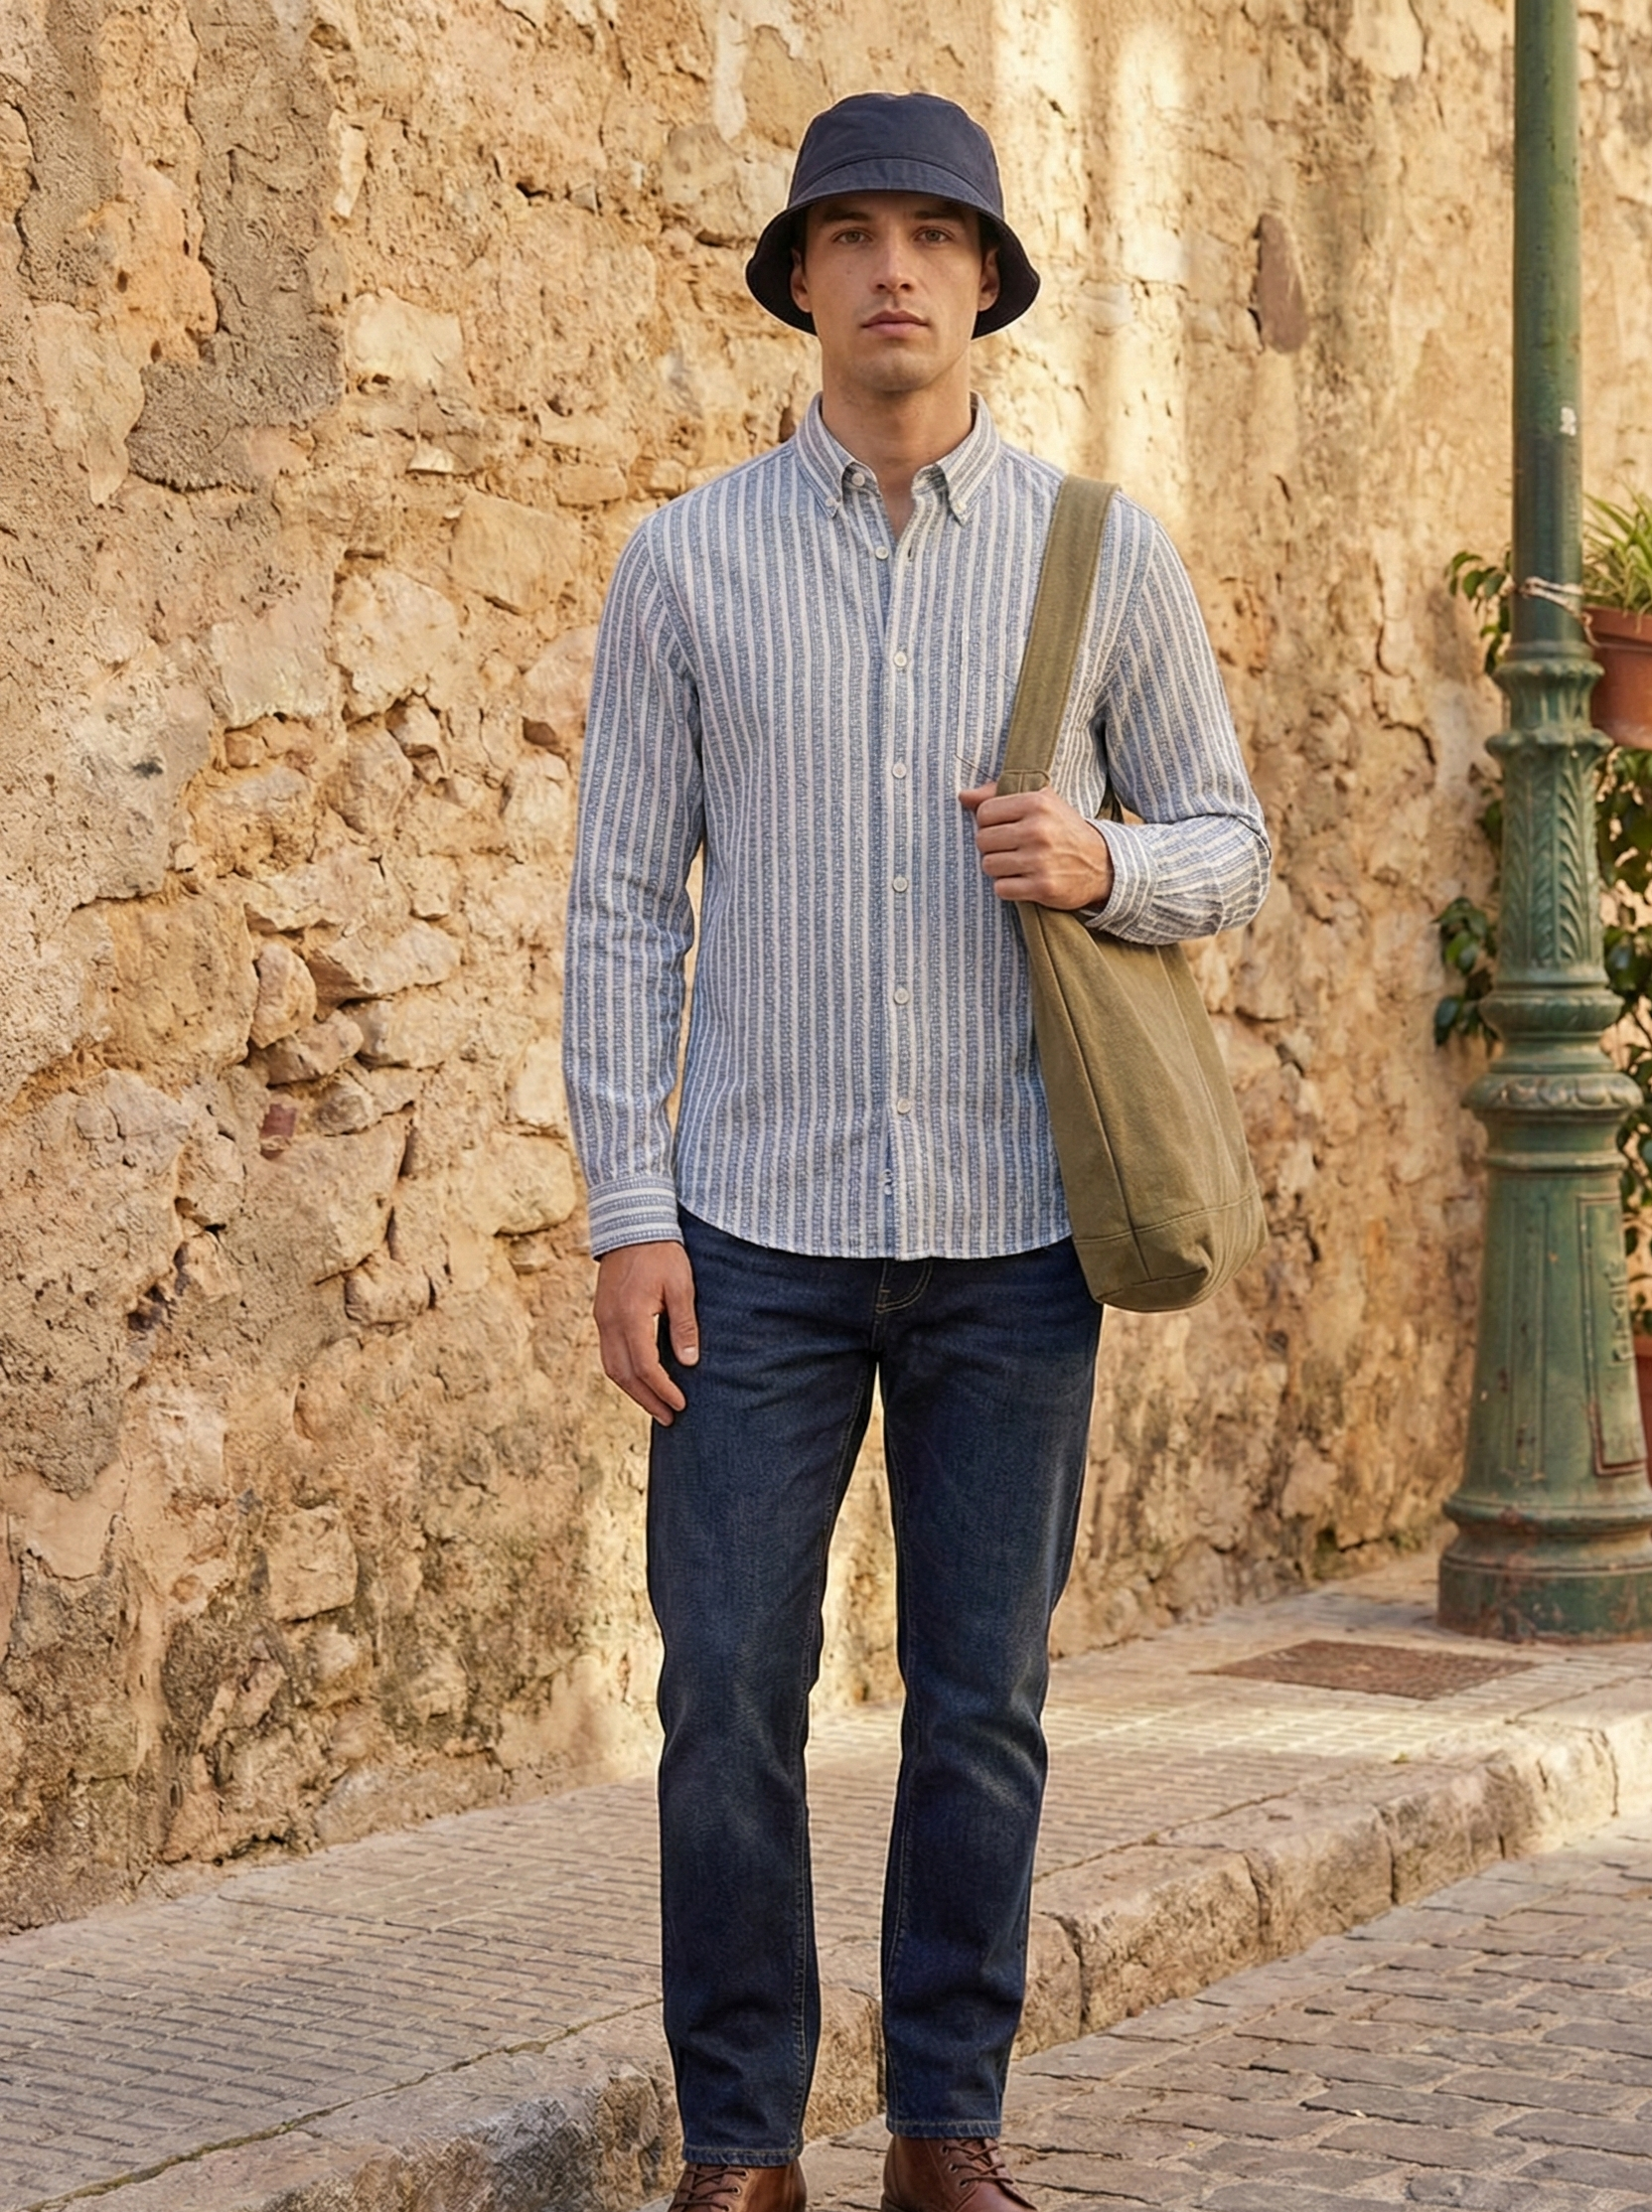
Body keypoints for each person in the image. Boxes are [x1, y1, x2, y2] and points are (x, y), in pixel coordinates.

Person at [563, 89, 1270, 2212]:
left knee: (982, 1705)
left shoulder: (1100, 555)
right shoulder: (684, 563)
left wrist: (1106, 860)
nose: (893, 270)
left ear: (983, 283)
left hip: (1014, 1235)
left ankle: (944, 2131)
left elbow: (1232, 844)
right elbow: (621, 907)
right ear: (802, 280)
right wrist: (625, 1213)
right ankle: (739, 2148)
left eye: (933, 236)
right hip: (748, 1238)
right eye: (853, 234)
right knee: (724, 1698)